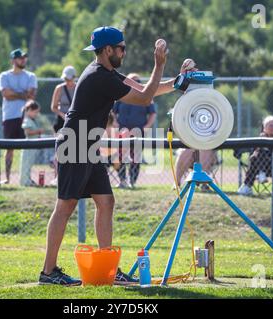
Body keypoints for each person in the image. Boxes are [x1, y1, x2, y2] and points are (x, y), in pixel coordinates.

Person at [38, 26, 194, 286]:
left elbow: (146, 88)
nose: (124, 51)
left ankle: (109, 268)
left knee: (106, 202)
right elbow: (145, 98)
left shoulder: (107, 73)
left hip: (87, 145)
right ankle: (48, 271)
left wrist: (179, 81)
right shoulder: (100, 76)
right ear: (108, 50)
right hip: (75, 143)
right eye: (121, 48)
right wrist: (159, 63)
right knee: (65, 206)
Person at [0, 48, 38, 184]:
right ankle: (8, 178)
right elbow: (6, 95)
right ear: (13, 60)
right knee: (9, 148)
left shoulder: (31, 76)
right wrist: (23, 94)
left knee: (28, 149)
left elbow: (31, 96)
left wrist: (15, 93)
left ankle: (26, 178)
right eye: (20, 58)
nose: (23, 60)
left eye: (24, 58)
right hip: (9, 116)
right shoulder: (4, 76)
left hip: (26, 117)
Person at [113, 73, 157, 188]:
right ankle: (122, 181)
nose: (134, 83)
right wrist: (115, 123)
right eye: (130, 81)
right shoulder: (121, 95)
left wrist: (147, 126)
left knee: (135, 158)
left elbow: (152, 113)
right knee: (120, 156)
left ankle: (132, 181)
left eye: (137, 81)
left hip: (138, 132)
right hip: (123, 132)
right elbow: (112, 111)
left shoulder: (146, 96)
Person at [237, 116, 273, 196]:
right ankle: (260, 174)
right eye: (271, 126)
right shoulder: (259, 139)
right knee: (256, 156)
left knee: (257, 156)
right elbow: (252, 155)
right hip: (258, 165)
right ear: (264, 128)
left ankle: (247, 186)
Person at [49, 66, 77, 185]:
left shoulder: (78, 87)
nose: (67, 81)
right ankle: (57, 177)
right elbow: (54, 107)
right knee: (60, 150)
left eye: (69, 78)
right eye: (66, 78)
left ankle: (72, 176)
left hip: (75, 121)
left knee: (75, 150)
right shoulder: (59, 88)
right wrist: (62, 115)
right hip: (62, 122)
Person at [20, 100, 45, 186]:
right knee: (26, 165)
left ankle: (28, 180)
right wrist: (38, 131)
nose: (36, 114)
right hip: (28, 146)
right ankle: (24, 181)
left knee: (29, 164)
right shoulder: (27, 120)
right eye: (35, 112)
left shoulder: (32, 120)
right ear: (29, 110)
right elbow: (28, 132)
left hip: (32, 147)